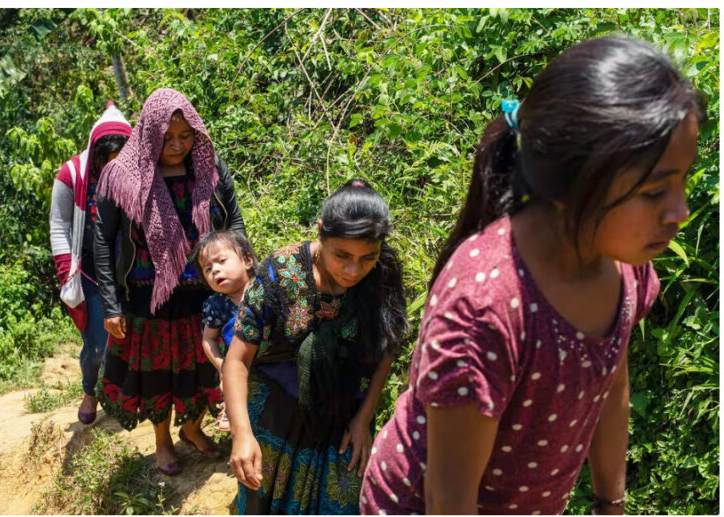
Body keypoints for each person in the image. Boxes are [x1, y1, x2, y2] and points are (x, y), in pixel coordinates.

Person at [360, 36, 701, 515]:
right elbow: (448, 498)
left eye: (684, 179)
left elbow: (612, 385)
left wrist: (611, 504)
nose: (680, 212)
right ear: (570, 180)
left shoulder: (627, 268)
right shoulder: (485, 307)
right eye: (654, 192)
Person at [223, 180, 409, 514]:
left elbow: (387, 350)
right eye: (342, 256)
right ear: (320, 231)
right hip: (277, 414)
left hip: (344, 415)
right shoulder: (279, 274)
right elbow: (236, 360)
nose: (354, 270)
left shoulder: (382, 276)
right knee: (264, 502)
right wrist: (241, 434)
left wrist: (363, 419)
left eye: (368, 257)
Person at [94, 88, 246, 476]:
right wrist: (111, 305)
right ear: (149, 133)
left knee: (205, 367)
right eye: (168, 137)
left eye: (185, 136)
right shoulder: (121, 175)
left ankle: (191, 428)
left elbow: (235, 223)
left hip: (206, 291)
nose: (177, 145)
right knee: (158, 373)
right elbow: (102, 238)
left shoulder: (209, 167)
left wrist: (244, 272)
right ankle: (162, 442)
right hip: (148, 297)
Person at [49, 101, 132, 425]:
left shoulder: (137, 171)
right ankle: (90, 391)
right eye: (105, 160)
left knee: (129, 336)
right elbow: (59, 225)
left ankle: (123, 393)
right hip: (90, 272)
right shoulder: (71, 174)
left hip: (127, 268)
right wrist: (65, 270)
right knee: (97, 343)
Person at [190, 230, 259, 432]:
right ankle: (231, 411)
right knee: (230, 381)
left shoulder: (265, 288)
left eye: (221, 261)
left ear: (247, 260)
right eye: (208, 269)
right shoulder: (215, 305)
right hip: (241, 362)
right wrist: (223, 365)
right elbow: (208, 340)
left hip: (273, 355)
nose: (215, 271)